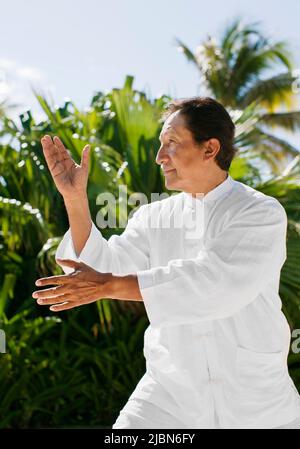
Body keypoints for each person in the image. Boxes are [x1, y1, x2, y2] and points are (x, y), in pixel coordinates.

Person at [32, 97, 300, 429]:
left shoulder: (259, 212)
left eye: (171, 144)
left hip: (258, 404)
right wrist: (75, 199)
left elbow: (216, 284)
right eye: (160, 145)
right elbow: (102, 266)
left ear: (209, 149)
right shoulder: (153, 216)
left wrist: (108, 285)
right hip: (169, 396)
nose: (159, 157)